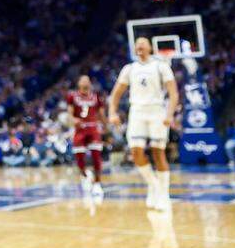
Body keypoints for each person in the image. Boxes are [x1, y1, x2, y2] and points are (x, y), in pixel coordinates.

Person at [109, 38, 179, 212]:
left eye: (142, 43)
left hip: (157, 111)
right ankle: (153, 184)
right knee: (135, 151)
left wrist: (169, 114)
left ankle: (164, 194)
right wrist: (112, 112)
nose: (139, 45)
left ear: (150, 47)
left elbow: (173, 93)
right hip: (137, 111)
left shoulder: (161, 66)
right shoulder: (129, 68)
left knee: (158, 152)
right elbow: (116, 93)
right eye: (136, 43)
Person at [66, 75, 106, 198]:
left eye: (87, 80)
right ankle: (84, 175)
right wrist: (73, 120)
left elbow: (101, 113)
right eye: (82, 80)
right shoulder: (72, 96)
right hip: (80, 129)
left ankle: (98, 183)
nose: (85, 81)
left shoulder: (96, 97)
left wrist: (106, 126)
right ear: (78, 83)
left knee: (96, 157)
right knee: (79, 157)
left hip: (93, 127)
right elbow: (69, 114)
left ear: (90, 83)